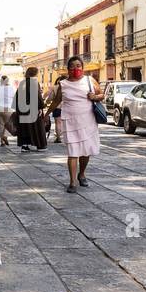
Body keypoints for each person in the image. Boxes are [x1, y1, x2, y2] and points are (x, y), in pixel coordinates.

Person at [48, 55, 105, 192]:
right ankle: (72, 182)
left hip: (88, 121)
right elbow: (56, 101)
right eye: (72, 66)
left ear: (82, 68)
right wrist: (46, 114)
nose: (75, 69)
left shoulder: (89, 80)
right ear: (67, 69)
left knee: (85, 152)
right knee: (72, 152)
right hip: (70, 121)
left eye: (78, 66)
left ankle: (82, 174)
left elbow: (101, 94)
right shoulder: (63, 84)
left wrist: (95, 97)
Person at [15, 66, 47, 151]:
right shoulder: (34, 82)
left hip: (22, 110)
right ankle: (40, 145)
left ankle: (25, 145)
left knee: (25, 127)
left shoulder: (22, 83)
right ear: (35, 73)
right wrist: (41, 107)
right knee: (37, 127)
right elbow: (37, 96)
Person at [0, 75, 16, 146]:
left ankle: (2, 142)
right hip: (7, 108)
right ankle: (5, 136)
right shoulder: (11, 88)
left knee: (1, 125)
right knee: (8, 124)